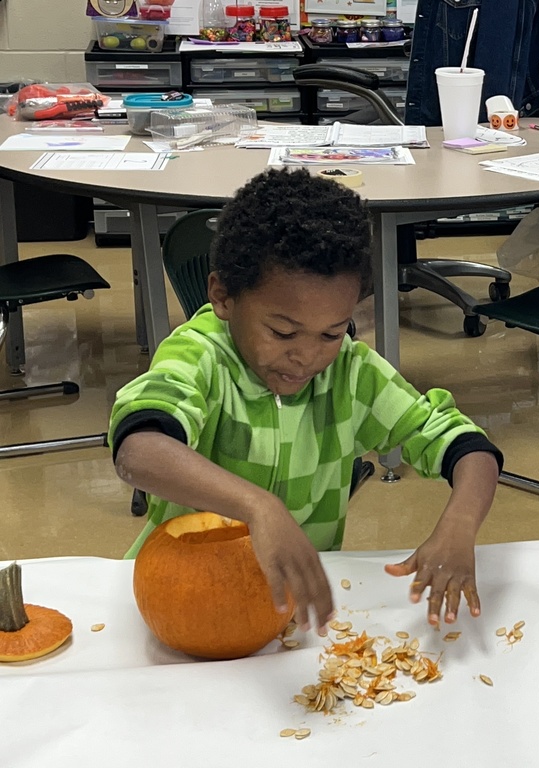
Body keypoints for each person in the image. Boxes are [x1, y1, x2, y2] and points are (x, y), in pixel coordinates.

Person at [109, 168, 502, 632]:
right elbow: (138, 450)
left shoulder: (349, 373)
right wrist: (260, 507)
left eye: (331, 333)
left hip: (290, 606)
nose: (306, 356)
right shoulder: (201, 355)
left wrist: (459, 526)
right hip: (183, 595)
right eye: (282, 331)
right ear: (223, 295)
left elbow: (464, 444)